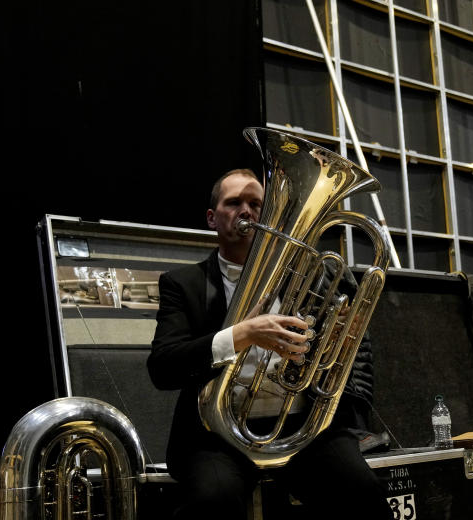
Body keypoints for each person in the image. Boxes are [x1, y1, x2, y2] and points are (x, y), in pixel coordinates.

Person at [148, 168, 390, 520]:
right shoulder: (182, 284)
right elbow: (163, 367)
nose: (246, 211)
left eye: (256, 203)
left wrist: (322, 347)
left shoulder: (314, 277)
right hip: (216, 434)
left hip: (304, 429)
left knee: (363, 493)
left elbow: (350, 351)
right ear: (212, 219)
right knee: (210, 503)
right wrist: (243, 334)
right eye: (233, 203)